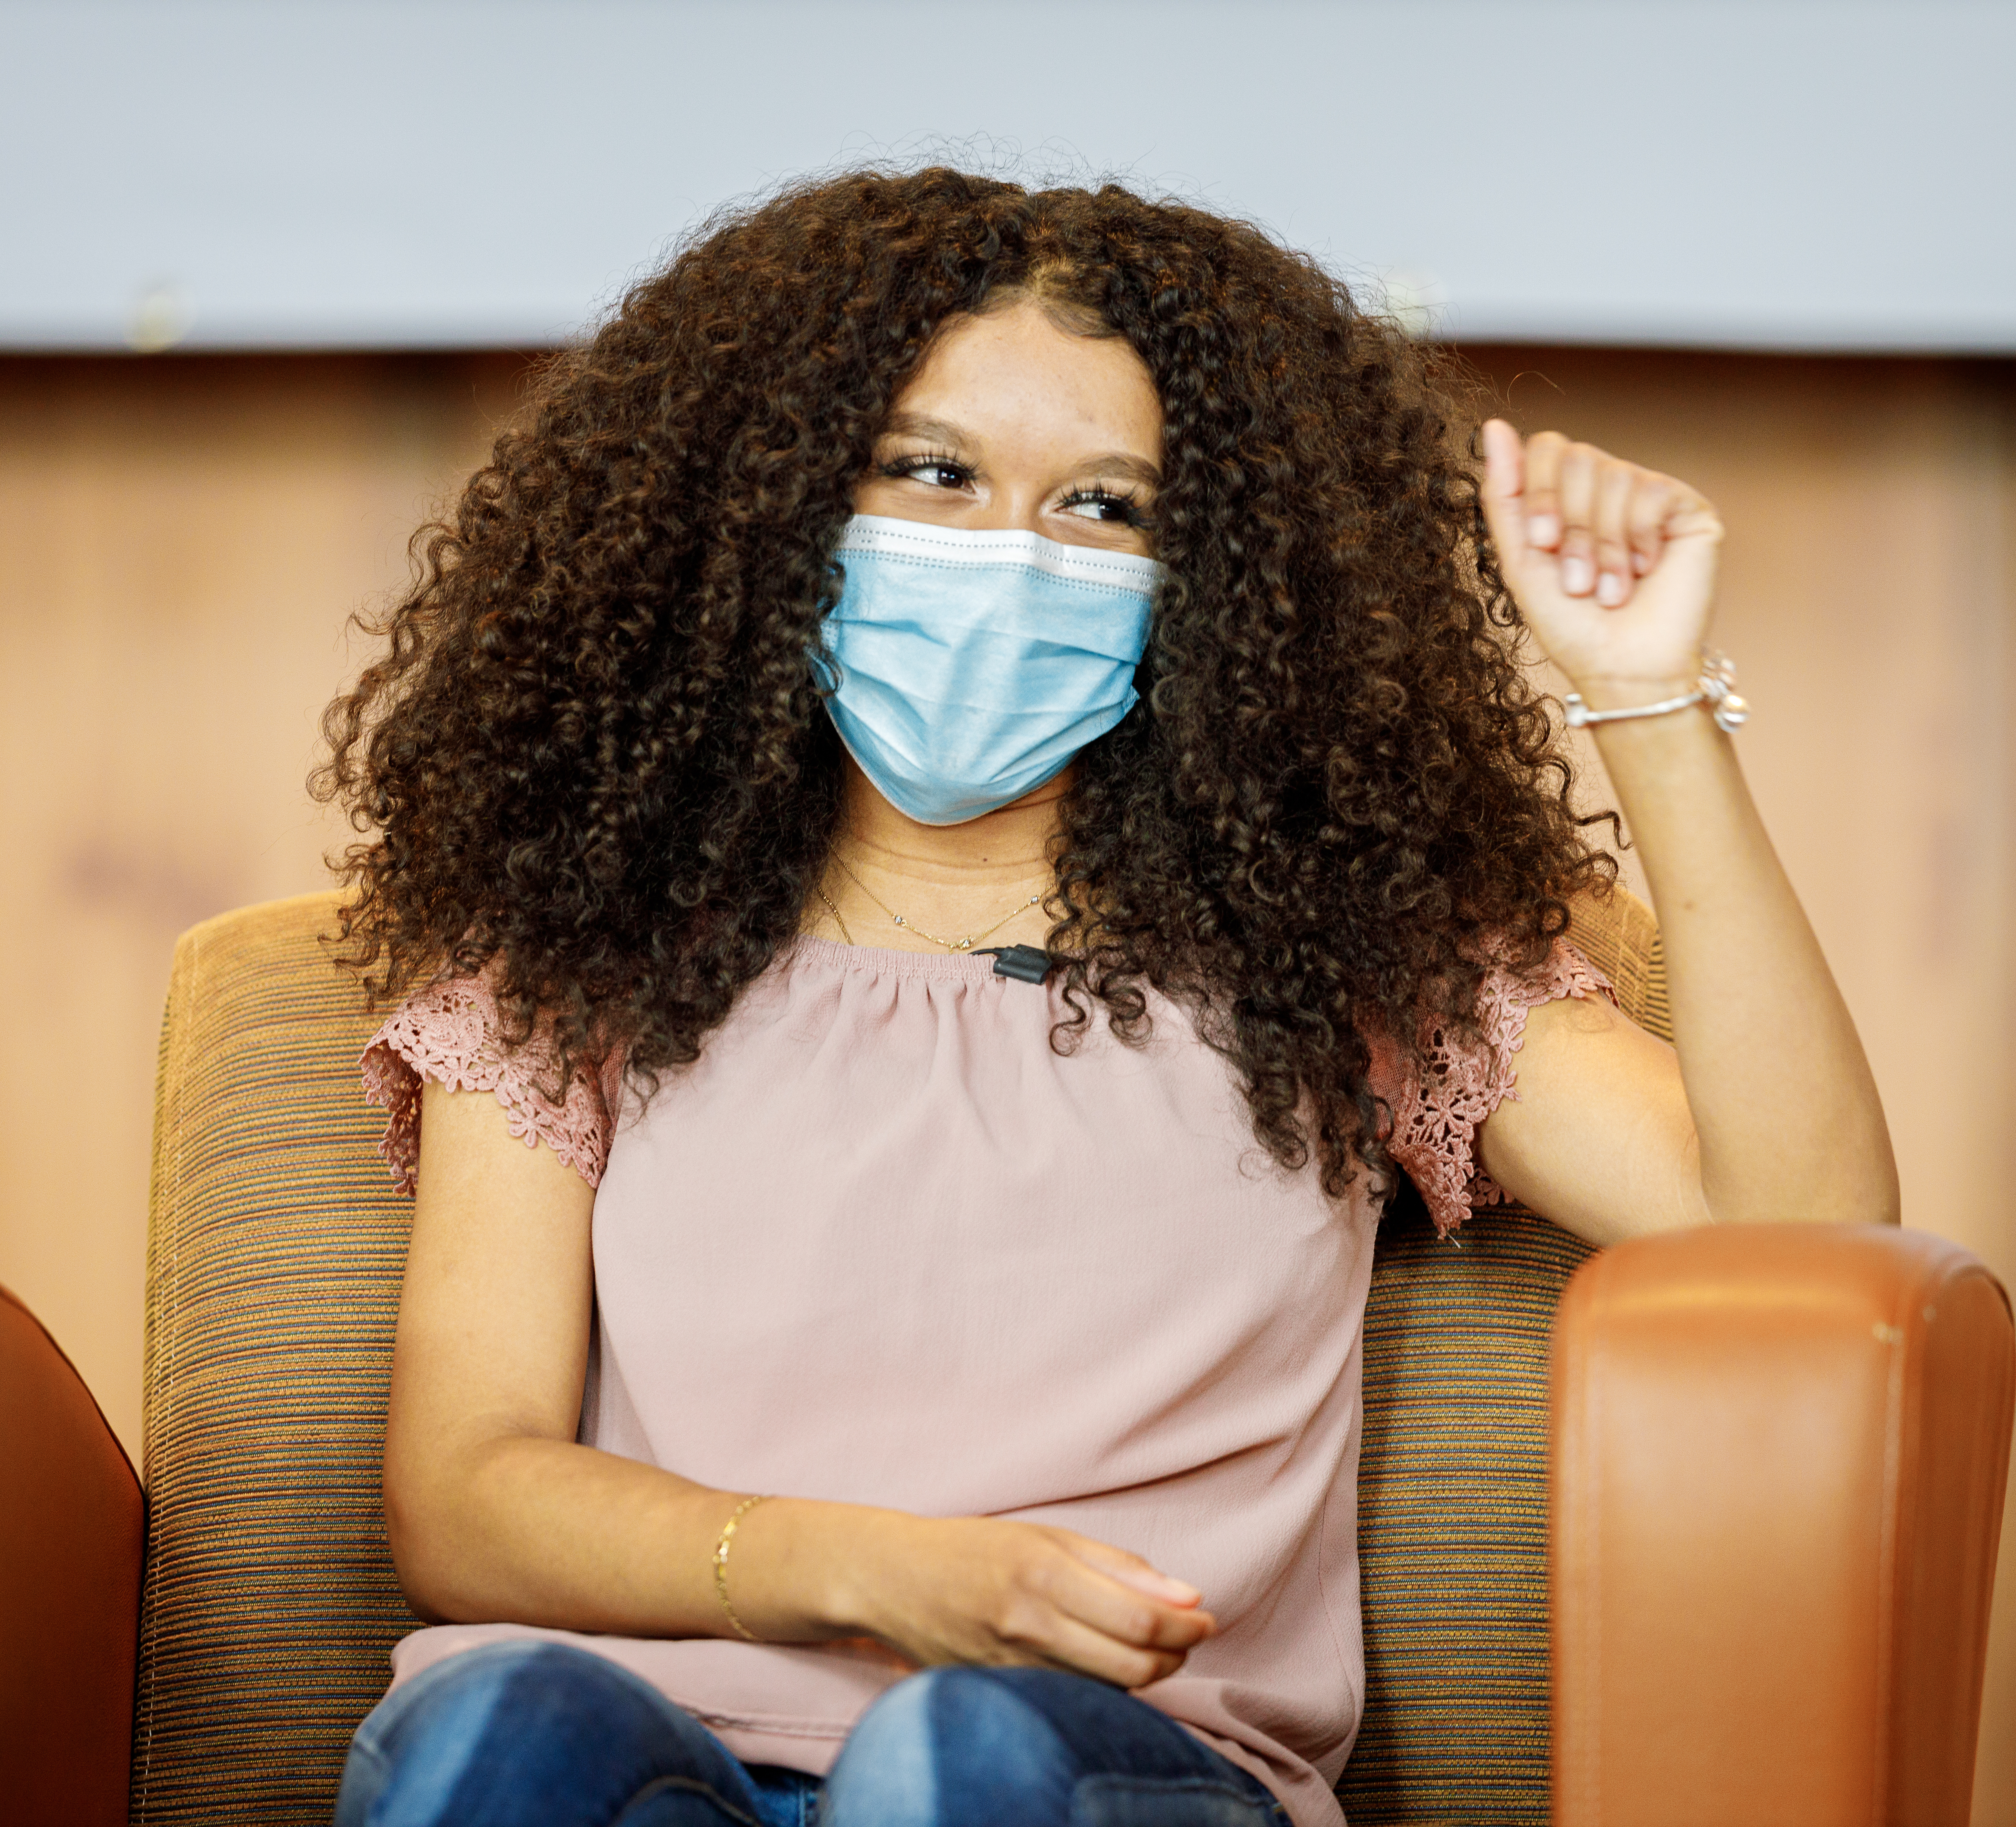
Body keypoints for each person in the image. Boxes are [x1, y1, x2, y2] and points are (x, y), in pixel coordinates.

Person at [318, 167, 1897, 1827]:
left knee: (957, 1755)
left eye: (1101, 508)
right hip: (645, 1751)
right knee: (500, 1729)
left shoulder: (1342, 953)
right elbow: (465, 1494)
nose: (1006, 556)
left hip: (1102, 1773)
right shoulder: (583, 948)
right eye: (928, 472)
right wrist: (851, 1567)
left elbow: (1798, 1230)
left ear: (1211, 580)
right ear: (764, 507)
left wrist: (1645, 698)